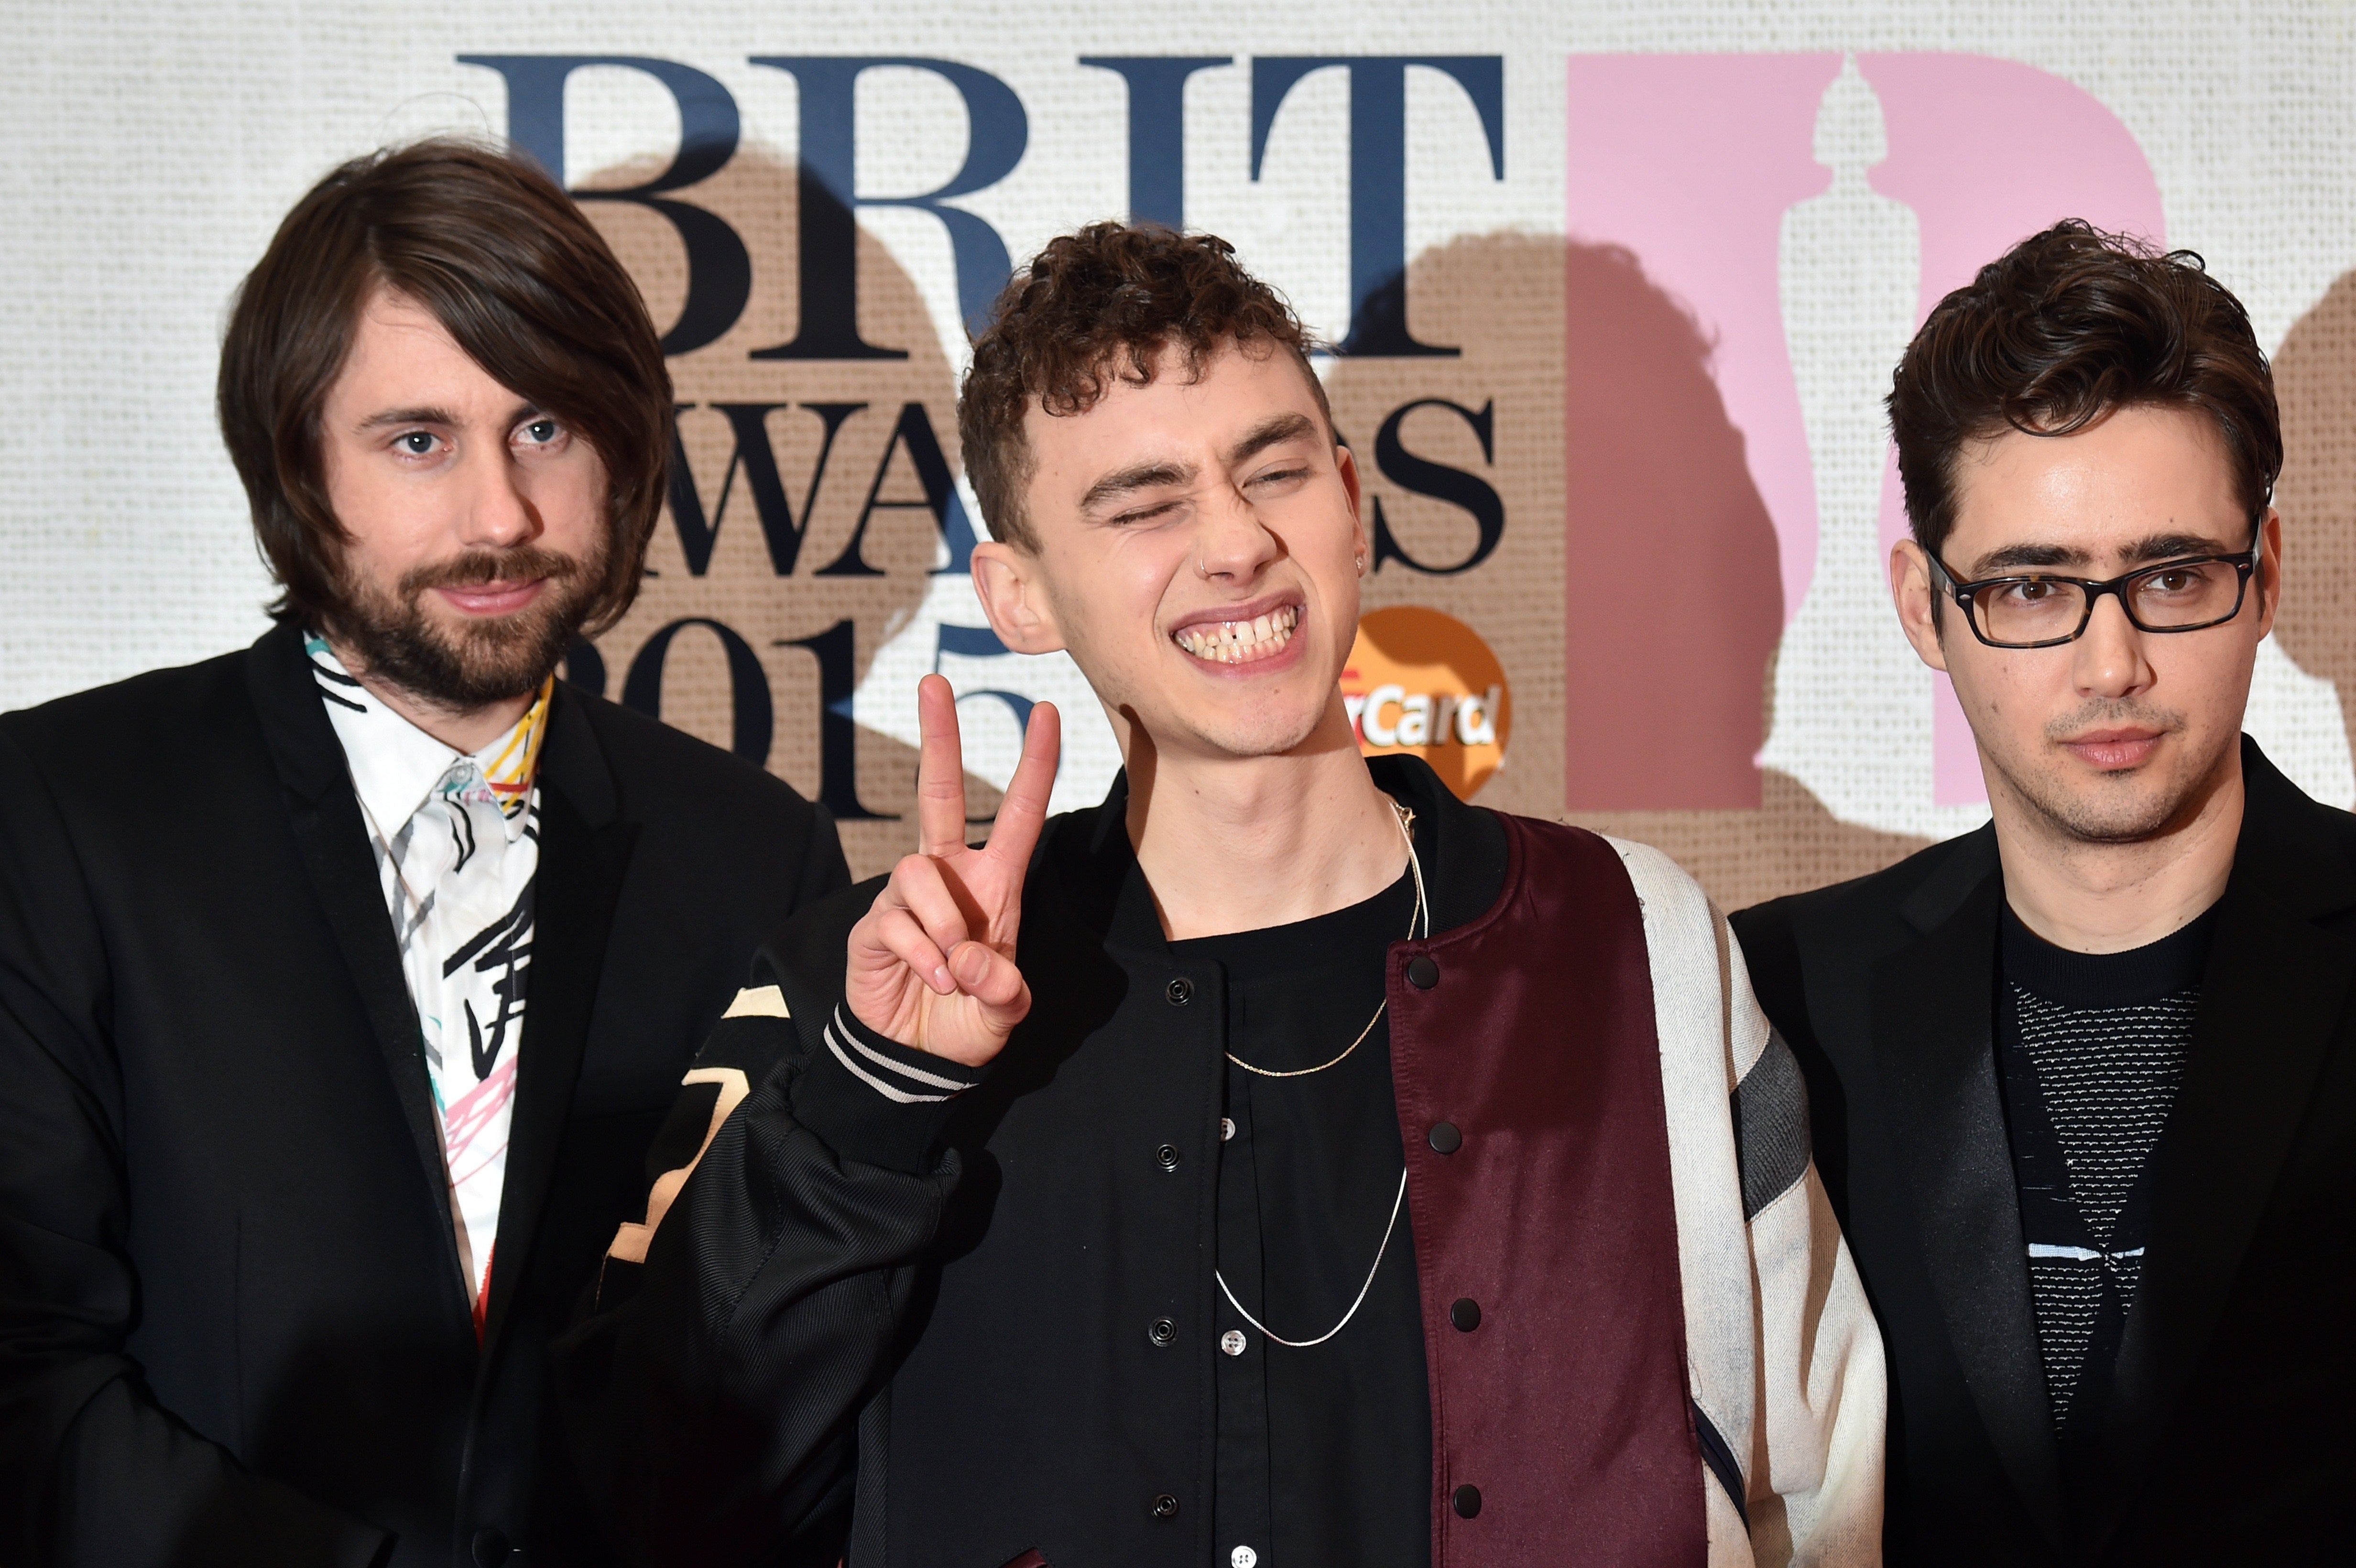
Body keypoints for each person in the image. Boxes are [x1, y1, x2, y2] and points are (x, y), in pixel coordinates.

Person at [557, 222, 1883, 1568]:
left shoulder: (1633, 940)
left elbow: (1823, 1490)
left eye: (1276, 472)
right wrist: (875, 1107)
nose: (1239, 543)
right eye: (1145, 505)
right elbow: (664, 1501)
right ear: (1020, 596)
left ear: (1354, 508)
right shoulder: (857, 988)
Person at [0, 141, 849, 1567]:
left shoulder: (753, 852)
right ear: (295, 461)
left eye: (544, 430)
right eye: (418, 440)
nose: (498, 518)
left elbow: (778, 1365)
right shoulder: (62, 810)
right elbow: (24, 1374)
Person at [1731, 222, 2353, 1564]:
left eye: (2172, 575)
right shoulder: (1776, 999)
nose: (2111, 661)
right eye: (2030, 589)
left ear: (2266, 580)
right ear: (1924, 608)